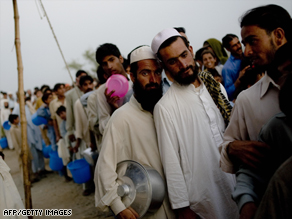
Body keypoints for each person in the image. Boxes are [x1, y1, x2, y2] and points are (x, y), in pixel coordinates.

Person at [151, 28, 238, 219]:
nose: (183, 64)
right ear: (164, 67)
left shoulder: (216, 87)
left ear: (191, 50)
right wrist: (182, 208)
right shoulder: (165, 107)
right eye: (173, 61)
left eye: (184, 55)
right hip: (204, 201)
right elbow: (171, 162)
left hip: (237, 185)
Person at [219, 4, 291, 218]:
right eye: (243, 43)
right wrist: (233, 148)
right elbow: (228, 149)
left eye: (252, 41)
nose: (247, 51)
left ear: (278, 35)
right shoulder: (247, 100)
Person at [95, 45, 175, 219]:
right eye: (145, 73)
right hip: (146, 208)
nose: (153, 79)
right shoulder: (121, 118)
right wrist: (118, 207)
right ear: (132, 76)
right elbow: (104, 168)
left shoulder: (168, 110)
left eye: (156, 73)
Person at [95, 43, 132, 136]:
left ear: (121, 59)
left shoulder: (136, 81)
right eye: (104, 64)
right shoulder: (102, 92)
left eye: (111, 60)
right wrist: (114, 110)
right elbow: (103, 129)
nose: (109, 66)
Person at [221, 34, 248, 100]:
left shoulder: (248, 55)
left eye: (238, 43)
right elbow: (227, 93)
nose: (239, 46)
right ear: (228, 49)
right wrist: (238, 80)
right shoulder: (227, 68)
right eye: (234, 45)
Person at [65, 70, 88, 144]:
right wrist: (70, 131)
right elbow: (69, 113)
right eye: (81, 77)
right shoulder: (70, 94)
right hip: (79, 127)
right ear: (77, 79)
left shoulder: (90, 91)